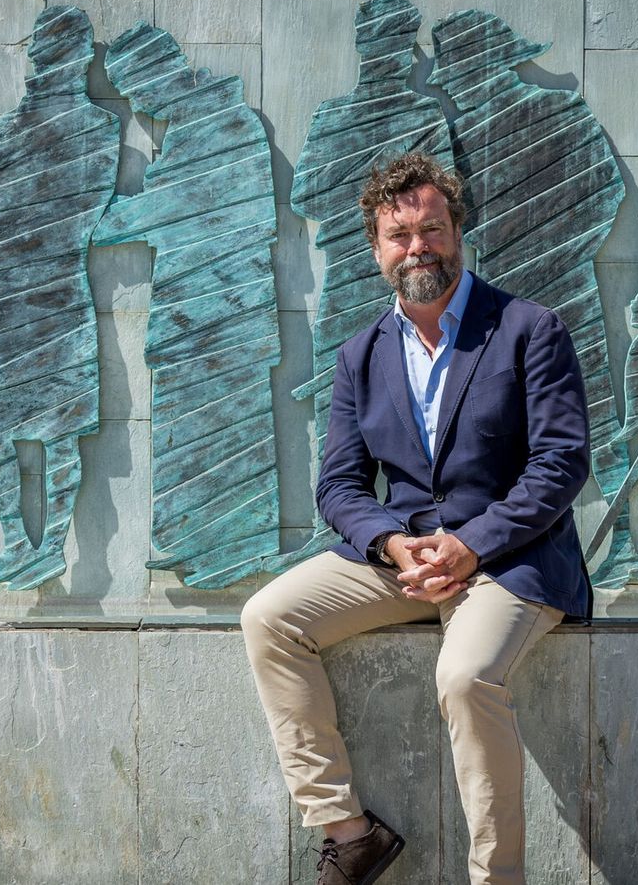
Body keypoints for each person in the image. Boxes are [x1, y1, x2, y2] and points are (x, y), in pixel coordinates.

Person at [241, 152, 593, 885]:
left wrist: (471, 545)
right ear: (377, 250)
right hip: (403, 560)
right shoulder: (359, 356)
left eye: (431, 229)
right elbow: (339, 485)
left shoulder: (529, 329)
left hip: (511, 558)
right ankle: (349, 833)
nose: (417, 248)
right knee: (269, 618)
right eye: (399, 236)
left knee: (464, 677)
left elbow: (561, 464)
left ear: (457, 232)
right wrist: (391, 543)